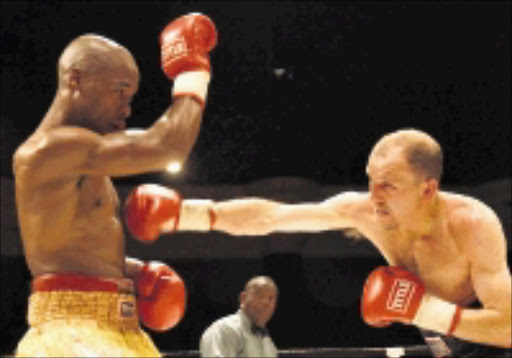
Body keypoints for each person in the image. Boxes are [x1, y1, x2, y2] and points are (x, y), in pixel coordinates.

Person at [124, 129, 511, 357]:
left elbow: (508, 326)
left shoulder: (471, 225)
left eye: (389, 185)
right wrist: (187, 214)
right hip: (439, 343)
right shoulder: (366, 211)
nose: (374, 195)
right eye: (370, 179)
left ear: (429, 188)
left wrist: (426, 312)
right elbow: (272, 217)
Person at [12, 12, 218, 357]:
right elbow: (166, 144)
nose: (127, 109)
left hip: (119, 328)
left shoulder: (89, 161)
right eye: (120, 92)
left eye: (131, 96)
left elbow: (72, 248)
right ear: (75, 79)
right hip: (70, 331)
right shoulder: (48, 150)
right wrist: (193, 72)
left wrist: (137, 274)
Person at [199, 276, 279, 358]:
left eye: (271, 299)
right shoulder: (224, 330)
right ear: (243, 298)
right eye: (260, 295)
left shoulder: (268, 343)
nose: (266, 302)